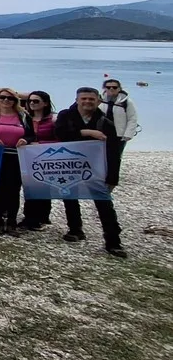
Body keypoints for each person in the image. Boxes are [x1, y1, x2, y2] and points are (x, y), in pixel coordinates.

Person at [56, 87, 126, 258]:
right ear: (77, 100)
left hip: (96, 168)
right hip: (69, 165)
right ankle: (75, 229)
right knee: (70, 198)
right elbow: (59, 135)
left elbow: (113, 153)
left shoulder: (106, 122)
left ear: (98, 101)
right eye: (84, 99)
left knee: (104, 204)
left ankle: (113, 241)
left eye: (91, 99)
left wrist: (113, 178)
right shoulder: (65, 116)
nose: (87, 102)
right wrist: (86, 132)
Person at [0, 89, 35, 236]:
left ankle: (11, 222)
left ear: (15, 100)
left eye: (10, 98)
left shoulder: (23, 116)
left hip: (16, 157)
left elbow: (31, 135)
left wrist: (25, 140)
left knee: (14, 190)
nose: (6, 100)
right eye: (3, 97)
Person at [21, 90, 58, 231]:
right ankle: (28, 217)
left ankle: (42, 217)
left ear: (45, 103)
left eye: (36, 101)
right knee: (29, 186)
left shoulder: (53, 119)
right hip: (28, 156)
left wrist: (41, 144)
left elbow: (60, 139)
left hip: (46, 157)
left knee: (43, 187)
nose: (32, 103)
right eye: (30, 101)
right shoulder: (25, 118)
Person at [99, 78, 139, 187]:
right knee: (101, 157)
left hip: (118, 135)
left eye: (114, 87)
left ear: (119, 88)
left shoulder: (126, 102)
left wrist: (128, 134)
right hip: (101, 134)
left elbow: (132, 119)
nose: (111, 89)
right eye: (108, 87)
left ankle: (112, 181)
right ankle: (101, 177)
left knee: (115, 158)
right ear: (104, 88)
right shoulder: (100, 100)